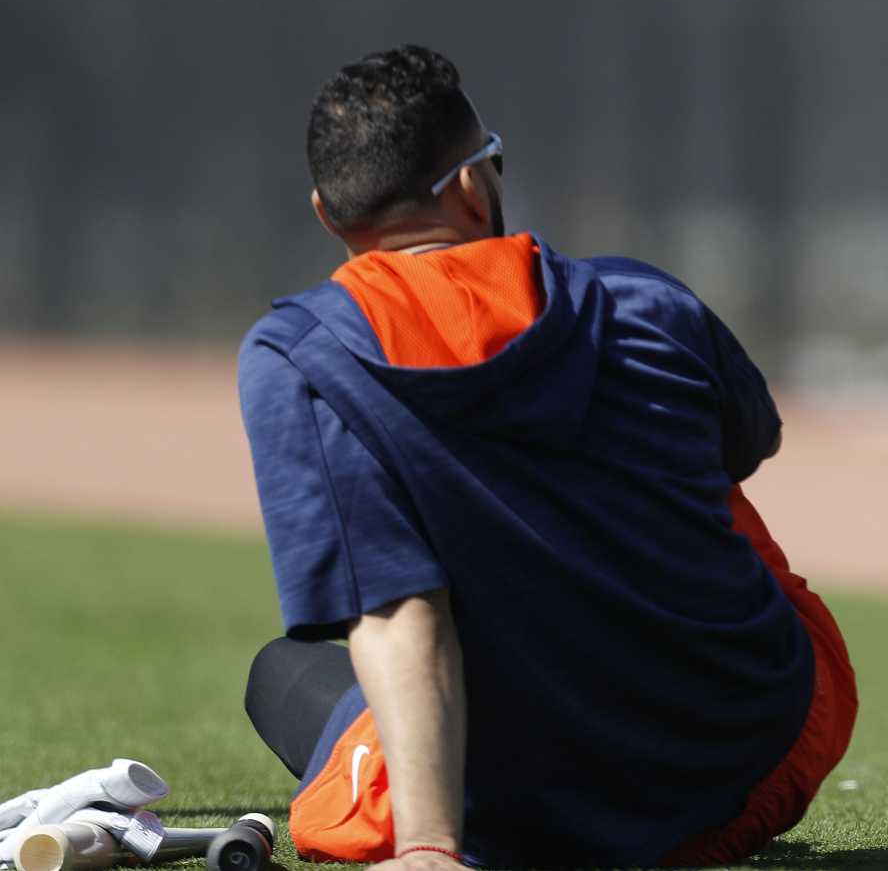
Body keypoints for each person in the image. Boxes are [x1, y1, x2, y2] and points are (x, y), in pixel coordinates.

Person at [236, 46, 855, 869]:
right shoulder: (647, 301)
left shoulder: (301, 355)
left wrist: (428, 844)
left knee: (282, 674)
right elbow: (745, 448)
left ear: (326, 212)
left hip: (518, 826)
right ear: (469, 184)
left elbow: (398, 609)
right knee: (682, 463)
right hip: (756, 758)